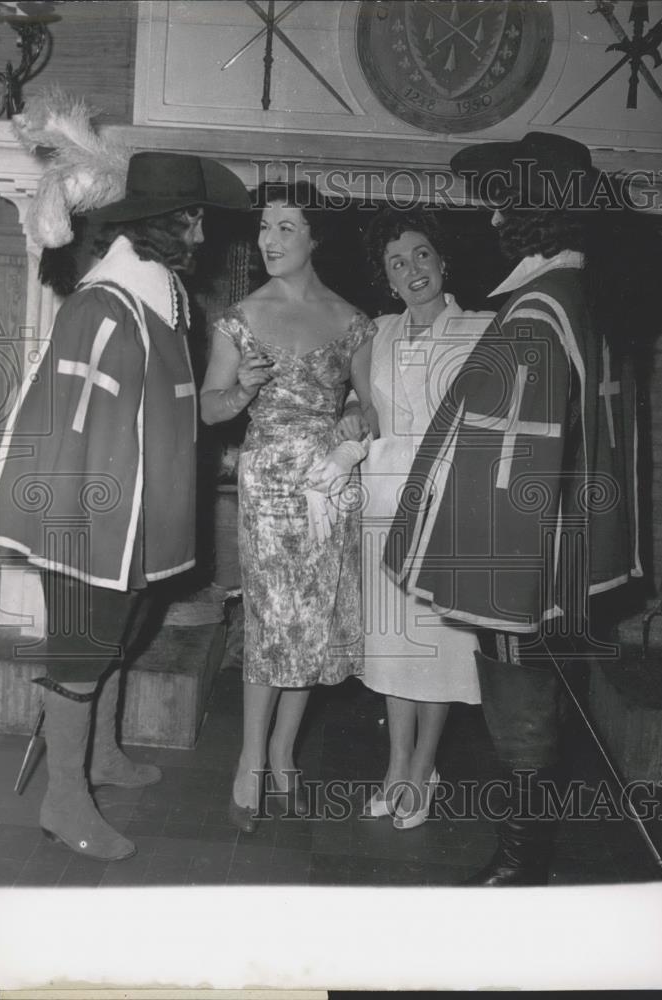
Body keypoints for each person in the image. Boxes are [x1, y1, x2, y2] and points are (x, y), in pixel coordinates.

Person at [383, 133, 640, 884]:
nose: (494, 219)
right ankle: (526, 854)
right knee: (540, 698)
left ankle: (522, 867)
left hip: (521, 562)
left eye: (504, 204)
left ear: (532, 214)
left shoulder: (535, 312)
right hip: (565, 551)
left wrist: (485, 580)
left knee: (518, 705)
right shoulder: (583, 295)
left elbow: (509, 460)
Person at [0, 151, 251, 861]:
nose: (201, 237)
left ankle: (99, 758)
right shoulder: (103, 306)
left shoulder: (162, 299)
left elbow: (165, 415)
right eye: (191, 221)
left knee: (118, 639)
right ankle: (63, 801)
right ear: (159, 224)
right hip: (90, 521)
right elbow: (67, 428)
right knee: (80, 651)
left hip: (142, 517)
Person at [200, 180, 377, 833]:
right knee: (272, 617)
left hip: (327, 484)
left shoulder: (353, 322)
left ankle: (282, 753)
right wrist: (241, 392)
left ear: (314, 238)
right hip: (269, 481)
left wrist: (354, 415)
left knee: (313, 620)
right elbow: (209, 407)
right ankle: (250, 761)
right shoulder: (240, 318)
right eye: (264, 227)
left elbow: (368, 405)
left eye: (285, 227)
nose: (268, 240)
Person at [359, 207, 493, 830]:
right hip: (385, 505)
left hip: (448, 507)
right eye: (397, 263)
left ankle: (423, 767)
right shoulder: (377, 333)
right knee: (392, 642)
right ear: (387, 280)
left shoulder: (481, 329)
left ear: (442, 261)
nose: (412, 270)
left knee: (439, 643)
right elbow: (363, 408)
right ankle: (395, 765)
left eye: (421, 255)